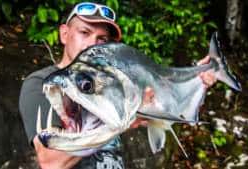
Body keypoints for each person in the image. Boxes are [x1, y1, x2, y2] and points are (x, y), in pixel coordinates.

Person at [19, 2, 216, 169]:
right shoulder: (43, 83)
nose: (91, 44)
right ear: (64, 33)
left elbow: (172, 109)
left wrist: (198, 82)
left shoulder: (111, 83)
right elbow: (50, 162)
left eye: (101, 39)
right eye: (84, 32)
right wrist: (124, 122)